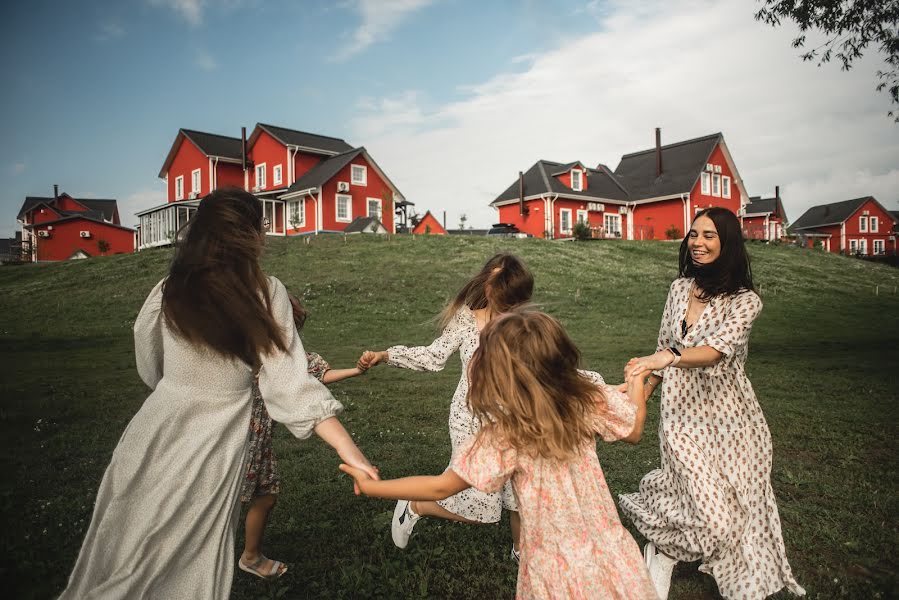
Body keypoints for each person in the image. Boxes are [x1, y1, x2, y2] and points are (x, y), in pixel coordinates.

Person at [59, 188, 377, 599]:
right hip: (213, 438)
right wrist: (353, 454)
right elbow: (290, 385)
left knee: (127, 543)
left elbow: (146, 350)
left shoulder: (169, 286)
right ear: (250, 233)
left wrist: (172, 389)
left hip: (155, 423)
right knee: (189, 554)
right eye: (261, 227)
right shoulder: (266, 291)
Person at [342, 310, 658, 600]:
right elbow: (633, 428)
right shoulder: (584, 400)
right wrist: (637, 382)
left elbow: (441, 488)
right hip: (609, 552)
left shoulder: (504, 434)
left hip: (553, 568)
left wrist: (373, 487)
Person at [619, 207, 805, 600]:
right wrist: (641, 392)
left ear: (728, 243)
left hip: (733, 421)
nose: (698, 243)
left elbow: (715, 352)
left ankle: (667, 549)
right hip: (681, 418)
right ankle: (668, 548)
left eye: (709, 236)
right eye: (694, 234)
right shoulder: (678, 289)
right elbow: (661, 348)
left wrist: (668, 357)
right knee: (711, 512)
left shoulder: (746, 301)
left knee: (737, 508)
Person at [358, 253, 532, 559]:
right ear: (489, 287)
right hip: (471, 421)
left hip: (515, 419)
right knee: (484, 507)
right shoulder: (467, 319)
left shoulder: (523, 325)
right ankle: (416, 505)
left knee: (522, 493)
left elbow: (545, 369)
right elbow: (433, 357)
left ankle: (523, 553)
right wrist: (387, 355)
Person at [239, 294, 371, 579]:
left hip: (258, 445)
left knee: (265, 497)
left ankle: (250, 556)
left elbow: (320, 375)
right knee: (219, 505)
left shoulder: (290, 361)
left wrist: (357, 371)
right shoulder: (238, 355)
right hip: (232, 444)